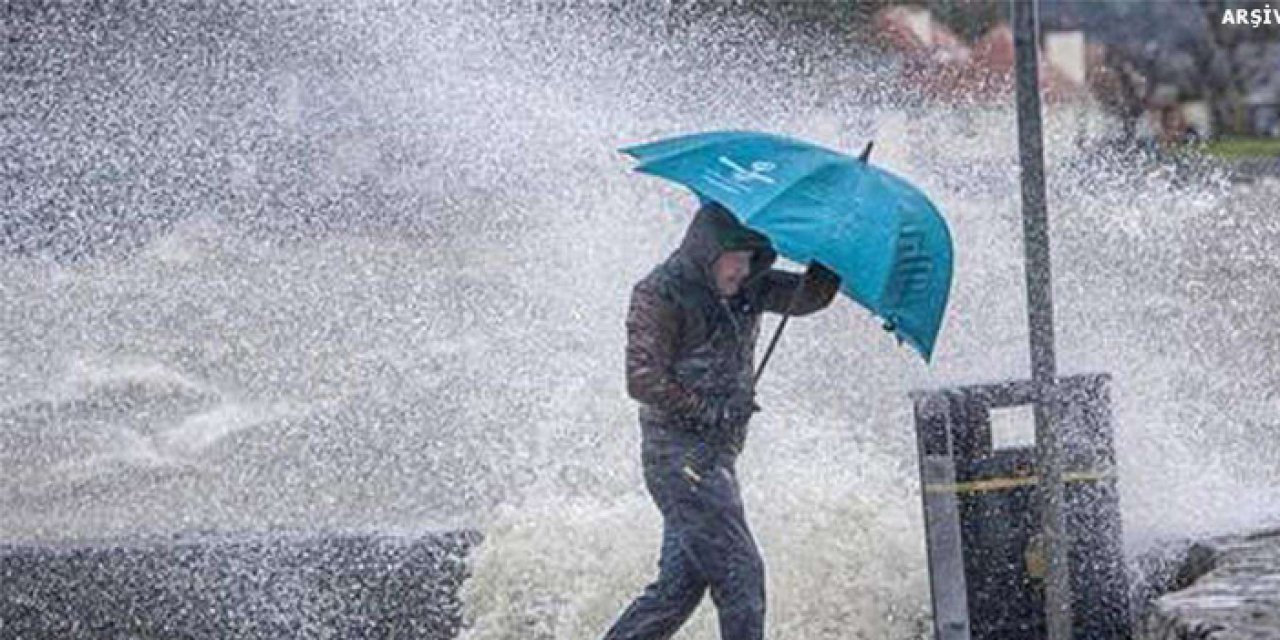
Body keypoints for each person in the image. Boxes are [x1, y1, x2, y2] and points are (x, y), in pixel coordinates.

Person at [604, 201, 841, 640]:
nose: (742, 271)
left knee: (676, 592)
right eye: (736, 258)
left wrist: (831, 252)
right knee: (741, 578)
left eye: (753, 259)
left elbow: (811, 295)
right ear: (708, 251)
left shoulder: (749, 286)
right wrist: (709, 410)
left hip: (715, 459)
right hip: (678, 459)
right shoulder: (660, 293)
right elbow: (642, 380)